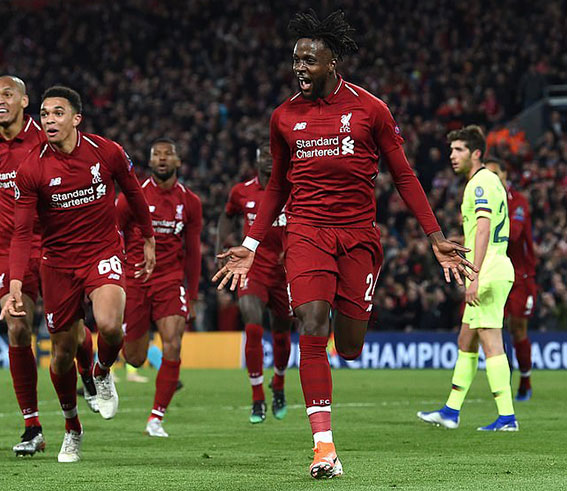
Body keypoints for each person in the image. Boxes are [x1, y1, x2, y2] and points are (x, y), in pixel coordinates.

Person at [213, 10, 474, 479]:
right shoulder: (283, 117)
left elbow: (404, 175)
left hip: (358, 237)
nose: (300, 68)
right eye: (296, 60)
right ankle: (323, 448)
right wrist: (251, 243)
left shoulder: (371, 110)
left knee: (349, 346)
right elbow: (275, 188)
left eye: (309, 61)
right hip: (307, 232)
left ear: (333, 62)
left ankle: (340, 343)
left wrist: (435, 237)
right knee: (311, 321)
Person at [4, 86, 155, 462]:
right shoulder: (31, 167)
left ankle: (102, 372)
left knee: (108, 325)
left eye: (58, 113)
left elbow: (135, 194)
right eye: (45, 114)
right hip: (56, 264)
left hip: (103, 252)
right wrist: (16, 284)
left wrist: (149, 237)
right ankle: (72, 428)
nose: (49, 120)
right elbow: (22, 232)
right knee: (61, 353)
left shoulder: (107, 152)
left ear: (76, 119)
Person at [0, 76, 97, 457]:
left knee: (74, 334)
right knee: (17, 326)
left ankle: (89, 371)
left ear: (25, 100)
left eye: (7, 94)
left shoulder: (47, 135)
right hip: (9, 246)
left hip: (55, 244)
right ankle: (32, 425)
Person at [417, 126, 518, 431]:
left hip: (487, 270)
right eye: (451, 150)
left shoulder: (479, 184)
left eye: (459, 150)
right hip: (493, 266)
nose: (452, 156)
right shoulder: (490, 182)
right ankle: (451, 411)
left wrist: (473, 275)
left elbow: (485, 229)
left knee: (490, 341)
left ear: (476, 153)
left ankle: (507, 417)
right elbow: (479, 231)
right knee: (466, 340)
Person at [116, 137, 202, 438]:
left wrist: (191, 295)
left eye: (169, 154)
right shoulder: (132, 196)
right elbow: (113, 233)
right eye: (157, 155)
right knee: (135, 357)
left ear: (178, 161)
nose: (163, 159)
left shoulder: (190, 202)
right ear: (150, 162)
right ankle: (102, 373)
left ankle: (156, 418)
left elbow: (193, 252)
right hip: (136, 279)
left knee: (173, 344)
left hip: (170, 280)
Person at [217, 144, 293, 424]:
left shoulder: (293, 188)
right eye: (264, 155)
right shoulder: (242, 191)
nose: (269, 160)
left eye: (274, 155)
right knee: (252, 322)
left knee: (282, 332)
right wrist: (223, 246)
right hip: (254, 268)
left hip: (285, 270)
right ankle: (257, 397)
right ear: (257, 160)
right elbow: (226, 216)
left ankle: (280, 385)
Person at [484, 157, 537, 401]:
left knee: (518, 328)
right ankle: (505, 375)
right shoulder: (483, 200)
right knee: (493, 327)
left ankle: (525, 381)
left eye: (495, 173)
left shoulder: (518, 202)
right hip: (495, 270)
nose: (491, 178)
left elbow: (513, 235)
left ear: (505, 175)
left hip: (520, 275)